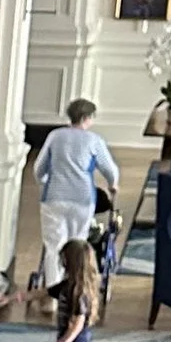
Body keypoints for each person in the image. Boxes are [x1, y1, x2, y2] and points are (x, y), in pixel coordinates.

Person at [32, 97, 118, 284]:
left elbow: (39, 168)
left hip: (54, 198)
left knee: (53, 246)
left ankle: (52, 294)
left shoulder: (55, 136)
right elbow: (110, 170)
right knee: (78, 245)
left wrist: (45, 182)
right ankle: (74, 289)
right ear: (87, 117)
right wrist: (113, 185)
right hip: (82, 199)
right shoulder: (94, 141)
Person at [43, 234, 97, 342]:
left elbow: (76, 326)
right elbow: (41, 293)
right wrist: (10, 298)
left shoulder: (79, 294)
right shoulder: (68, 286)